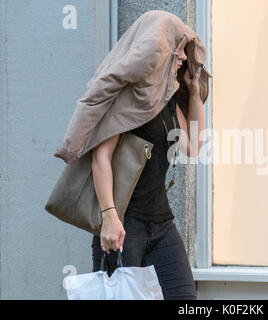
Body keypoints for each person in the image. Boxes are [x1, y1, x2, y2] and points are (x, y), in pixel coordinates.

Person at [89, 27, 205, 300]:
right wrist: (108, 217)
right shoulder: (127, 96)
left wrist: (195, 94)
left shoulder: (167, 99)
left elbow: (193, 147)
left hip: (161, 225)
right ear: (159, 51)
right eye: (177, 50)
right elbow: (100, 156)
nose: (182, 57)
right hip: (123, 226)